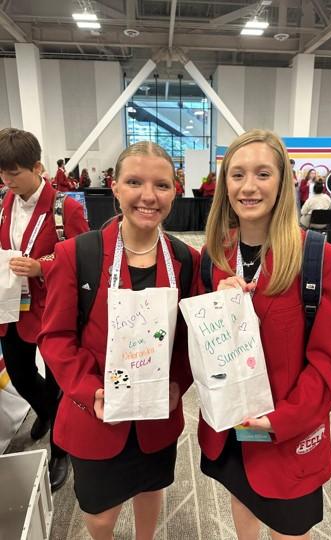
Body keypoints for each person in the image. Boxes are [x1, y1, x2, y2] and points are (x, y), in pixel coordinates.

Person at [38, 141, 199, 540]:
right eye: (134, 182)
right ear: (114, 187)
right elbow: (56, 337)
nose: (148, 196)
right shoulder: (78, 254)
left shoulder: (185, 260)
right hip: (97, 418)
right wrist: (89, 391)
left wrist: (179, 381)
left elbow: (188, 340)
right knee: (101, 514)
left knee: (149, 490)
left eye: (161, 185)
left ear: (175, 190)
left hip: (156, 415)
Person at [199, 129, 331, 540]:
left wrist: (281, 421)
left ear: (284, 182)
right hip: (231, 428)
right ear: (224, 183)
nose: (248, 187)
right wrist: (216, 301)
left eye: (263, 174)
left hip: (287, 437)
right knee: (242, 499)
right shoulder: (213, 258)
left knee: (288, 528)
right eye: (237, 175)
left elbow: (326, 368)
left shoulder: (321, 259)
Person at [0, 128, 89, 490]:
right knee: (20, 376)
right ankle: (47, 411)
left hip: (55, 310)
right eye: (2, 174)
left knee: (60, 382)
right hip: (12, 309)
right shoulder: (4, 202)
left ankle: (60, 453)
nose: (7, 180)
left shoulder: (65, 207)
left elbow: (84, 257)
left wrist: (42, 266)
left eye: (14, 173)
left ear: (37, 167)